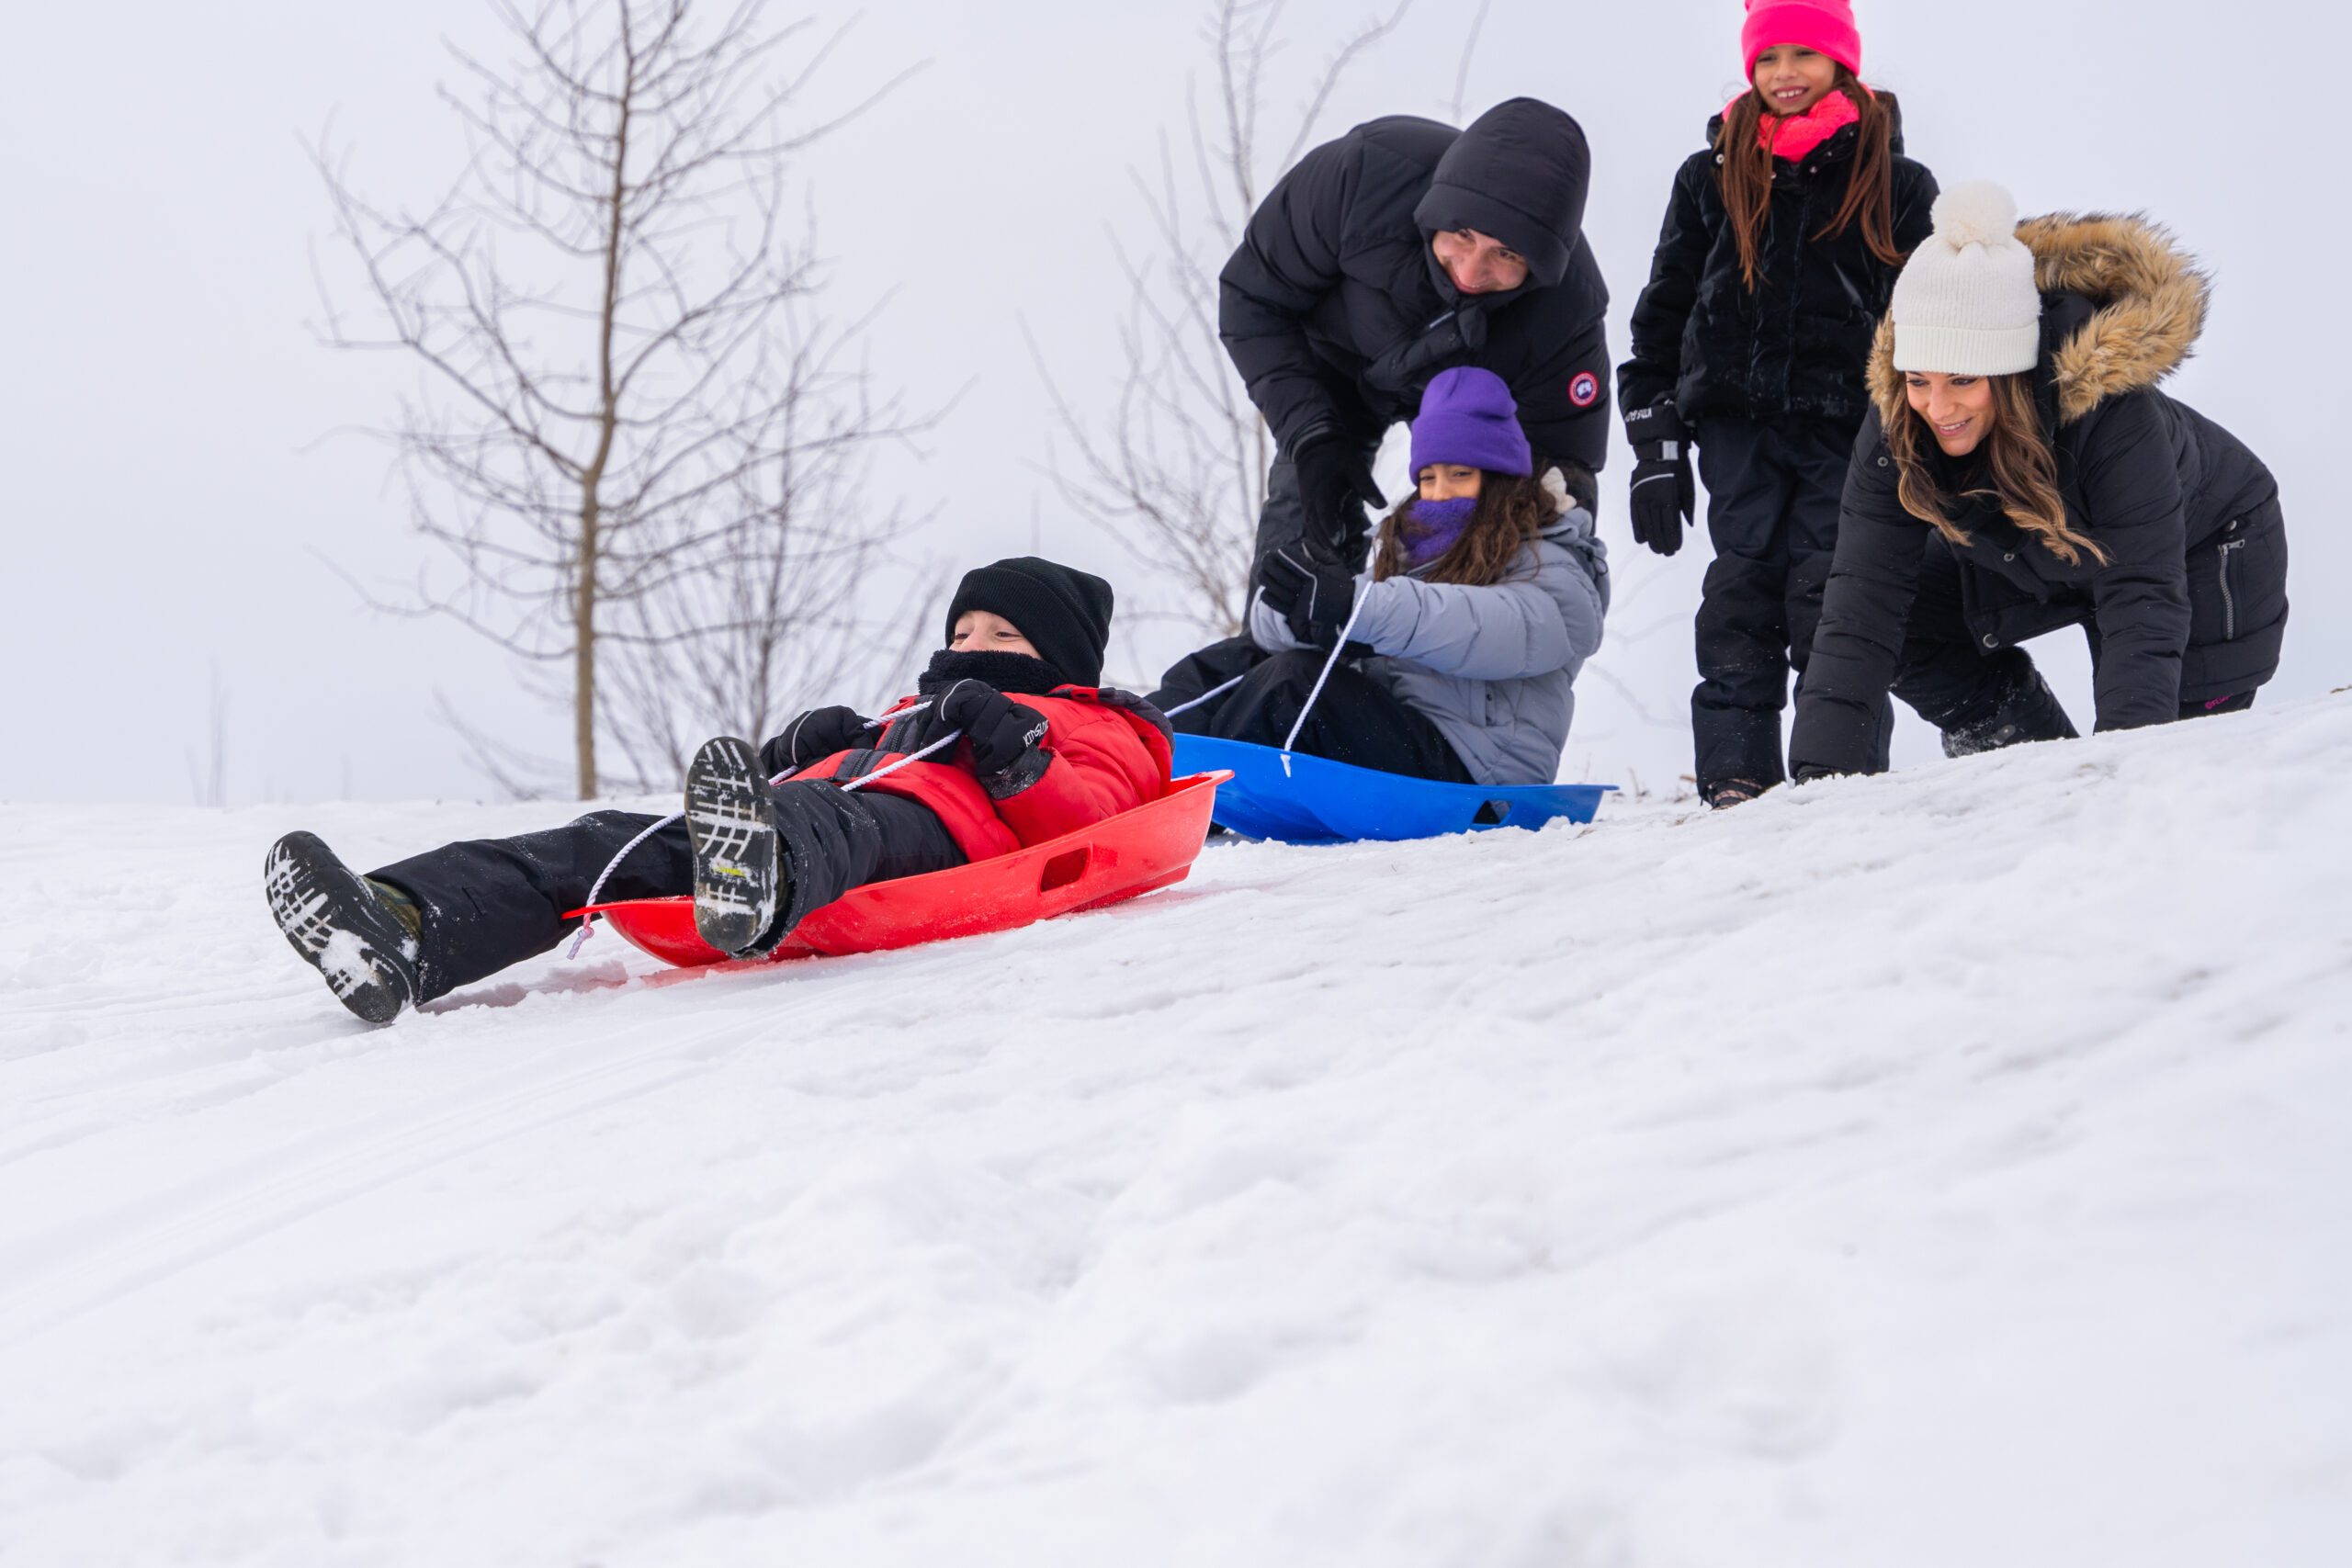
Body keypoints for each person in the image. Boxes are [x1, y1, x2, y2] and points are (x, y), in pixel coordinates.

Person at [265, 558, 1173, 1022]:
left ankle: (759, 881)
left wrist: (1018, 753)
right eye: (963, 625)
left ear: (1058, 656)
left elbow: (1099, 820)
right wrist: (796, 754)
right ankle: (404, 929)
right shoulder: (905, 715)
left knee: (829, 822)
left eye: (1003, 633)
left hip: (933, 840)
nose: (973, 643)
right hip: (822, 824)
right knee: (605, 841)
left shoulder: (1102, 722)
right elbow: (754, 803)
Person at [1787, 183, 2289, 777]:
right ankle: (2018, 746)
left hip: (2205, 548)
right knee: (1870, 600)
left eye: (1963, 381)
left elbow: (2142, 597)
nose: (1938, 407)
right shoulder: (1902, 418)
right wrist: (1822, 782)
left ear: (2010, 370)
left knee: (2168, 779)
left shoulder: (2113, 417)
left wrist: (2122, 773)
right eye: (1919, 378)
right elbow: (1861, 606)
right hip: (2043, 544)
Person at [1617, 0, 1938, 807]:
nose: (1784, 75)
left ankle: (1840, 772)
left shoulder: (1895, 180)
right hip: (1736, 425)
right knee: (1742, 589)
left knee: (1833, 592)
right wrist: (1655, 439)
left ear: (1843, 62)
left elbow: (1925, 318)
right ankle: (1736, 776)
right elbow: (1664, 309)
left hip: (1849, 428)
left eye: (1804, 54)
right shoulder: (1709, 177)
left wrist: (1927, 429)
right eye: (1767, 59)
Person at [1218, 96, 1612, 589]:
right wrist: (1311, 434)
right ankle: (1277, 652)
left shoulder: (1567, 310)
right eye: (1462, 235)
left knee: (1489, 524)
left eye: (1505, 253)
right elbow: (1251, 298)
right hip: (1334, 361)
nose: (1471, 270)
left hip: (1467, 405)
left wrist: (1541, 550)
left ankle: (1420, 650)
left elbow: (1563, 460)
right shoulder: (1361, 176)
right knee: (1306, 505)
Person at [1152, 367, 1609, 787]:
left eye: (1461, 475)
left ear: (1502, 480)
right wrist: (1293, 604)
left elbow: (1488, 625)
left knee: (1292, 684)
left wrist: (1354, 609)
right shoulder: (1413, 551)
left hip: (1475, 765)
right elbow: (1328, 620)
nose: (1439, 493)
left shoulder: (1549, 558)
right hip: (1403, 732)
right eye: (1428, 478)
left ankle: (1193, 807)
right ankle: (1134, 772)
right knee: (1220, 668)